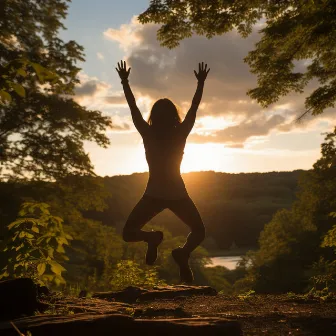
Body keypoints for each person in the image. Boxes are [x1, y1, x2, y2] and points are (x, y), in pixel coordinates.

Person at [116, 60, 210, 283]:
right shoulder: (180, 134)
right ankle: (183, 252)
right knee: (199, 232)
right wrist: (200, 84)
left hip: (154, 194)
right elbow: (194, 110)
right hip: (178, 194)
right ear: (174, 116)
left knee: (129, 233)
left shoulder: (147, 134)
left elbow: (133, 108)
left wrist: (125, 82)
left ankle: (152, 238)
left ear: (154, 116)